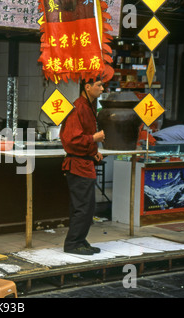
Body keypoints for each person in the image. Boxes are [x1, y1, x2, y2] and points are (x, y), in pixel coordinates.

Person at [59, 78, 106, 256]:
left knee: (87, 206)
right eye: (99, 85)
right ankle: (72, 243)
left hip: (85, 162)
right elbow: (71, 140)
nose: (102, 89)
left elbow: (84, 137)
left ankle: (80, 239)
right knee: (83, 207)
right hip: (77, 165)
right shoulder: (78, 107)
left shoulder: (89, 106)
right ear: (87, 87)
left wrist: (93, 150)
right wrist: (94, 139)